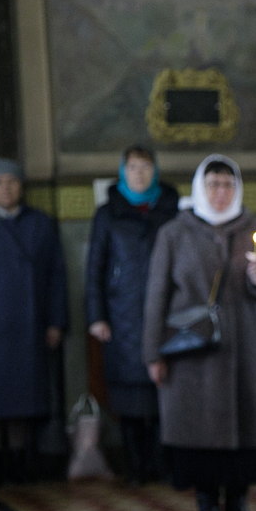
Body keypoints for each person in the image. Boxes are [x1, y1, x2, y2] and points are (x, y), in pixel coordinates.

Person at [142, 154, 256, 511]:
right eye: (213, 184)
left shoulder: (255, 229)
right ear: (201, 188)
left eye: (228, 185)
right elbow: (156, 296)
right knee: (197, 435)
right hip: (192, 354)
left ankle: (238, 504)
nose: (221, 192)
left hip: (245, 347)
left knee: (246, 432)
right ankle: (205, 506)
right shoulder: (174, 233)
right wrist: (152, 353)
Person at [85, 145, 181, 486]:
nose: (139, 173)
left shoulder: (171, 208)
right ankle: (135, 466)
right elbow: (95, 269)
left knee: (162, 393)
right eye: (133, 167)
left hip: (166, 313)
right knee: (128, 396)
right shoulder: (107, 213)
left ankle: (162, 463)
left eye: (145, 167)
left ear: (155, 171)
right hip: (121, 314)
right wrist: (97, 316)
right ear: (123, 172)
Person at [0, 158, 68, 485]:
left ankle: (21, 463)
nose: (6, 188)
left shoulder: (41, 223)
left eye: (12, 181)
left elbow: (57, 277)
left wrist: (56, 322)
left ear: (21, 186)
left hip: (28, 324)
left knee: (23, 397)